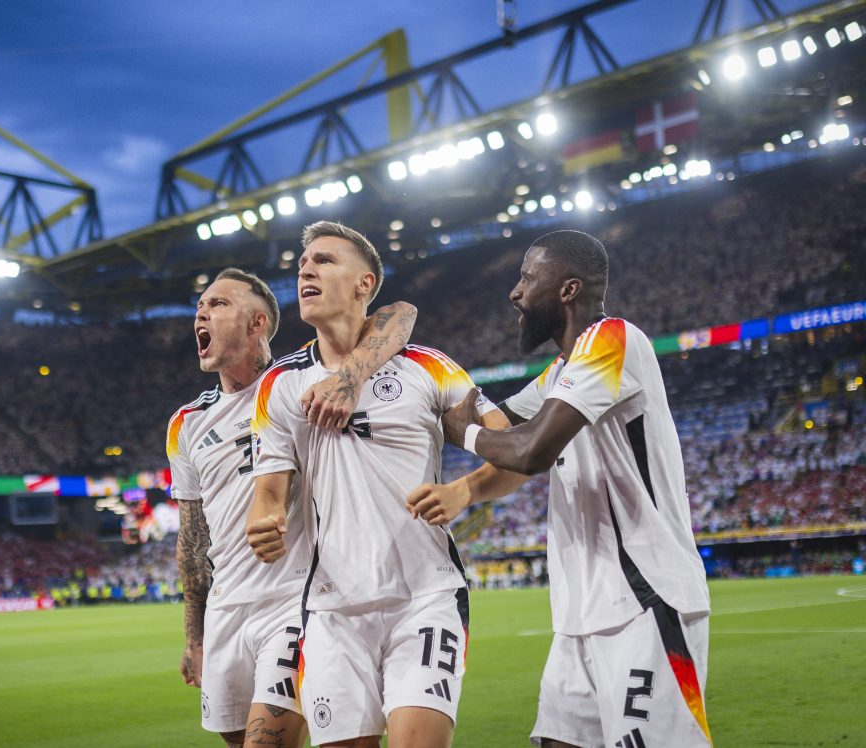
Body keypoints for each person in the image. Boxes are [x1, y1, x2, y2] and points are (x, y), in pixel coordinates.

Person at [406, 230, 712, 747]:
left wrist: (464, 432)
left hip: (646, 599)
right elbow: (508, 431)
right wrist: (463, 481)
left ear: (568, 290)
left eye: (528, 277)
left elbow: (530, 452)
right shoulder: (560, 373)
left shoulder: (611, 338)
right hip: (582, 613)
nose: (515, 291)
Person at [246, 221, 508, 748]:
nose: (305, 269)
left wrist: (465, 491)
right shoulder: (279, 385)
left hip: (425, 596)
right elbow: (269, 492)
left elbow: (514, 451)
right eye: (302, 263)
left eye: (323, 260)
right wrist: (264, 523)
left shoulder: (427, 369)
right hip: (330, 608)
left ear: (365, 283)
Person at [170, 267, 417, 748]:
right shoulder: (187, 423)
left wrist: (349, 377)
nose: (201, 313)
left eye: (218, 304)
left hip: (297, 601)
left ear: (257, 323)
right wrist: (195, 636)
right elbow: (193, 541)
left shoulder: (300, 383)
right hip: (226, 610)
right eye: (199, 306)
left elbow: (399, 314)